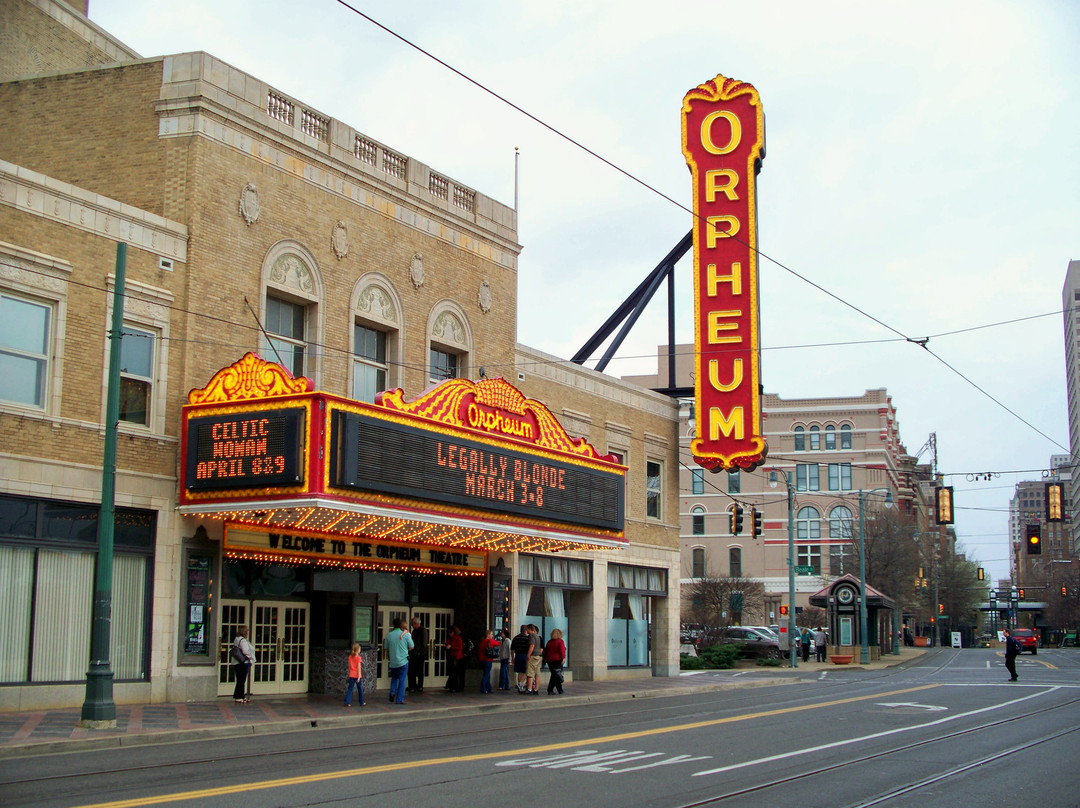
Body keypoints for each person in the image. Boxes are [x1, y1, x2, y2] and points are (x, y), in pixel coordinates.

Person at [384, 618, 413, 704]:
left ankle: (392, 693)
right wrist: (405, 650)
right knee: (402, 680)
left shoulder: (389, 635)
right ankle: (400, 699)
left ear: (393, 625)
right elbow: (412, 646)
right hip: (403, 660)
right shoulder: (406, 635)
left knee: (394, 678)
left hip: (393, 661)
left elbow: (386, 648)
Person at [231, 625, 255, 704]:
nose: (248, 632)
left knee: (240, 680)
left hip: (237, 662)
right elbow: (245, 651)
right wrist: (249, 657)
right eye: (247, 631)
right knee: (241, 680)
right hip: (243, 662)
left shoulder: (237, 639)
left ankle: (241, 696)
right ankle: (238, 696)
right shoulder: (243, 640)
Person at [407, 617, 427, 694]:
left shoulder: (423, 630)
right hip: (413, 653)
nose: (412, 625)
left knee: (420, 671)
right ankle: (412, 685)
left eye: (412, 624)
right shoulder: (414, 631)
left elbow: (424, 643)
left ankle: (420, 686)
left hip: (419, 654)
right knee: (412, 671)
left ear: (416, 623)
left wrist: (421, 653)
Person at [543, 628, 566, 695]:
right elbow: (562, 651)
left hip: (550, 661)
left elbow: (545, 652)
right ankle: (559, 689)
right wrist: (563, 658)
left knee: (554, 675)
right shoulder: (560, 641)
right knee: (557, 675)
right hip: (558, 660)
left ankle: (551, 689)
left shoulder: (549, 642)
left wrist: (544, 660)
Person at [444, 624, 465, 692]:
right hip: (452, 656)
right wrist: (446, 645)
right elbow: (447, 643)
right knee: (452, 673)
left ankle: (455, 687)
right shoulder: (450, 639)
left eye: (451, 632)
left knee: (455, 673)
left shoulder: (458, 638)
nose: (450, 634)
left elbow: (459, 648)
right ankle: (452, 686)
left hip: (457, 657)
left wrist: (451, 647)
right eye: (449, 632)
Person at [510, 624, 531, 693]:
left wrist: (512, 658)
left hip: (518, 655)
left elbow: (512, 649)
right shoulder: (527, 638)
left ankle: (520, 685)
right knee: (526, 671)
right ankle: (520, 683)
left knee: (519, 672)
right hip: (524, 655)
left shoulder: (516, 638)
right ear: (525, 630)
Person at [478, 629, 498, 693]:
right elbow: (498, 643)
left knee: (486, 673)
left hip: (482, 659)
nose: (492, 635)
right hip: (488, 659)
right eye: (491, 634)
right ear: (488, 635)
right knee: (486, 674)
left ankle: (488, 688)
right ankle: (483, 688)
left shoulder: (482, 642)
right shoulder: (490, 641)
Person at [526, 624, 544, 695]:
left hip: (533, 656)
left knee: (530, 673)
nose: (526, 631)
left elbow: (532, 645)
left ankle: (529, 689)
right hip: (538, 656)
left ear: (530, 629)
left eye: (527, 629)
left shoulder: (531, 636)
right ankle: (536, 689)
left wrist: (528, 654)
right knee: (537, 673)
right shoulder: (537, 636)